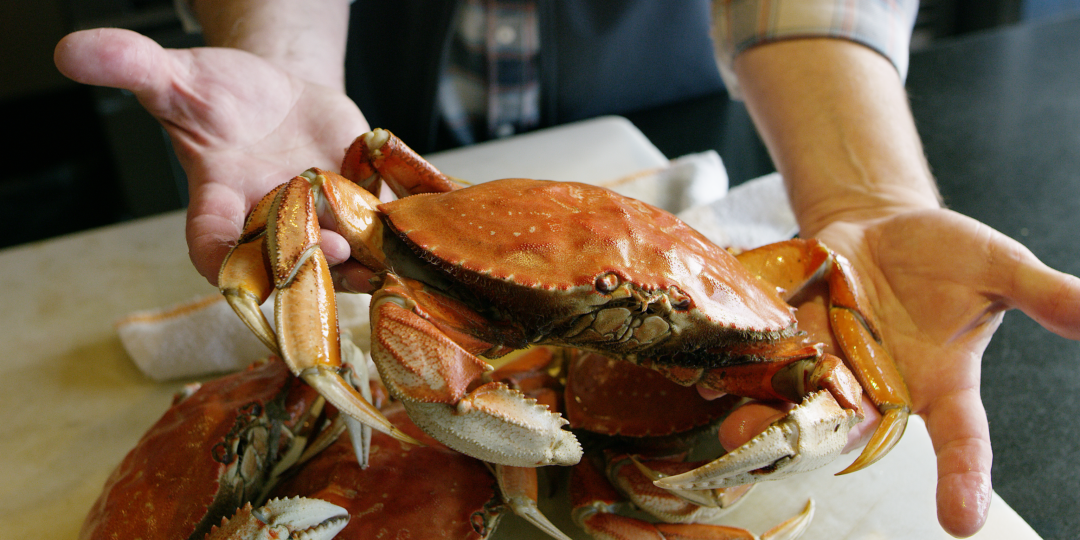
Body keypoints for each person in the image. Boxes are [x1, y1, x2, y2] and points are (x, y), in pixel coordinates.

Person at [53, 1, 1080, 537]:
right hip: (382, 105)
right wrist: (287, 58)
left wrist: (869, 202)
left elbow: (821, 293)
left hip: (660, 74)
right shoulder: (376, 204)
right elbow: (317, 197)